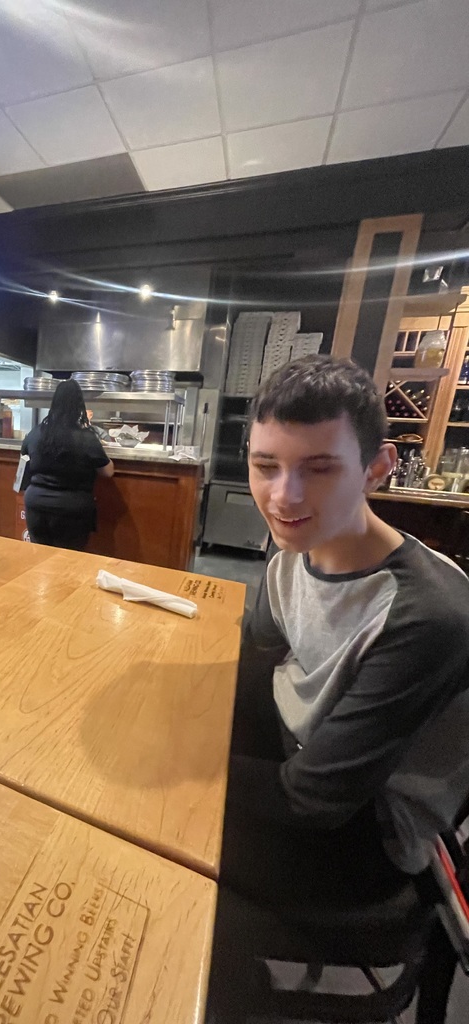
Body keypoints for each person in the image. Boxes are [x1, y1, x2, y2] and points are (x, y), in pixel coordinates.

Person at [208, 355, 469, 1021]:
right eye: (266, 465)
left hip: (368, 836)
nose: (284, 496)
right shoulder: (293, 549)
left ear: (377, 467)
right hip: (306, 763)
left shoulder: (427, 614)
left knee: (150, 858)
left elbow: (315, 801)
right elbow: (254, 660)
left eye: (319, 468)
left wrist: (179, 762)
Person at [21, 378, 114, 550]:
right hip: (71, 507)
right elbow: (107, 472)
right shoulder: (86, 437)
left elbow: (24, 455)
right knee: (67, 559)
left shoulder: (36, 432)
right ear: (79, 405)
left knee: (38, 556)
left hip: (36, 503)